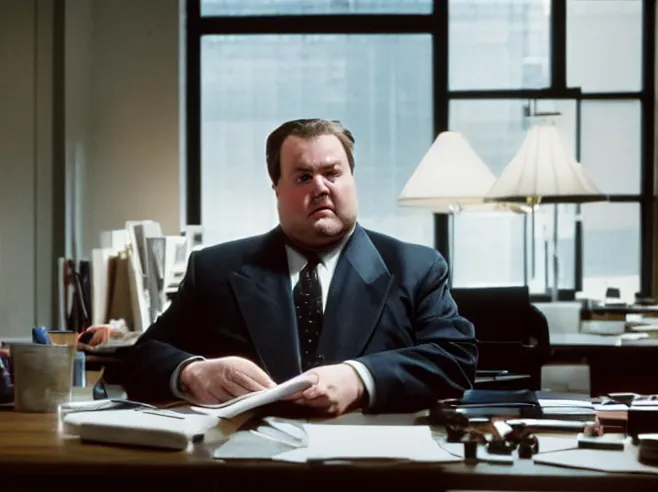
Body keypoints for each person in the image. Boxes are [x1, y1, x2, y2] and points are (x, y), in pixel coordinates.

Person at [120, 118, 478, 415]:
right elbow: (141, 359)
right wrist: (192, 373)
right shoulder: (215, 270)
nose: (321, 187)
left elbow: (454, 359)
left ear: (352, 179)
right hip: (245, 475)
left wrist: (360, 378)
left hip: (373, 473)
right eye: (303, 177)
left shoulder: (416, 268)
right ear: (277, 188)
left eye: (333, 173)